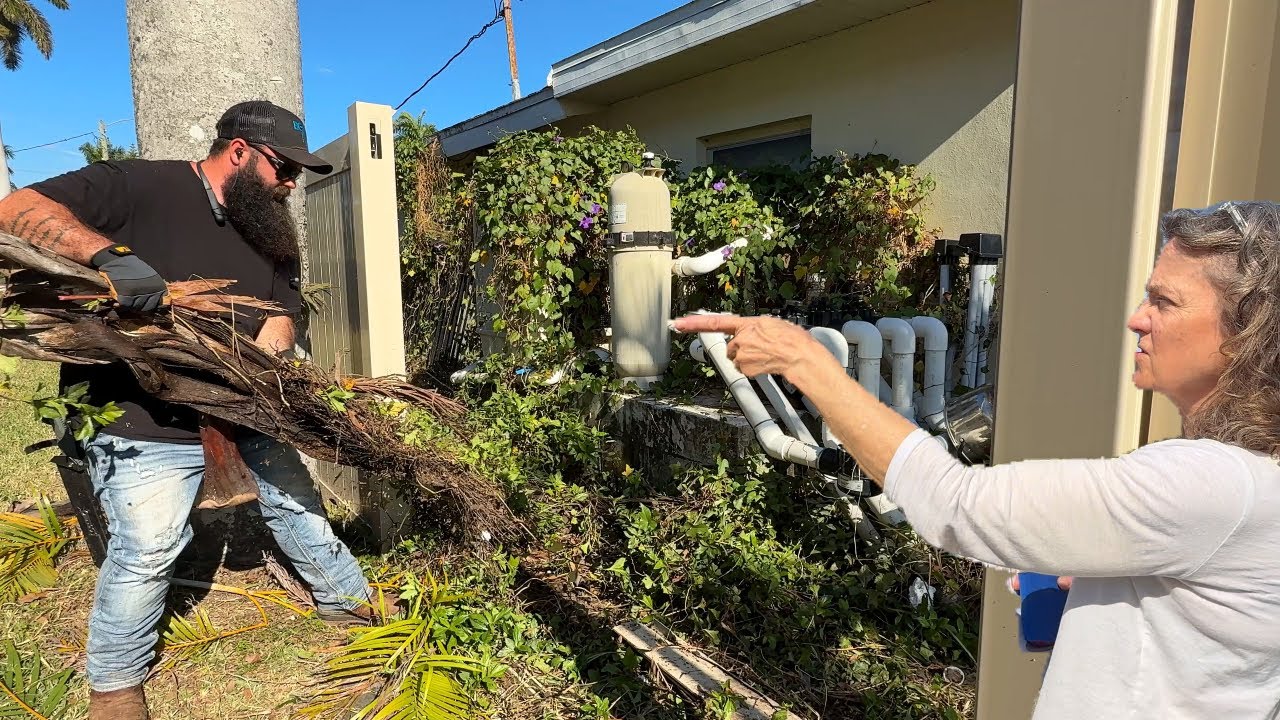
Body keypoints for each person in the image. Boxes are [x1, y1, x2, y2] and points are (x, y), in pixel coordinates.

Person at [674, 201, 1280, 719]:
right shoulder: (1248, 480)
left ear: (1248, 331)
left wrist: (806, 362)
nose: (1136, 318)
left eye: (1164, 301)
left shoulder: (1216, 485)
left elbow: (956, 504)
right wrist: (1109, 583)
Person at [0, 101, 386, 719]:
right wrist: (107, 256)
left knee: (297, 504)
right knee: (150, 544)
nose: (291, 183)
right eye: (283, 169)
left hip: (243, 401)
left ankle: (346, 598)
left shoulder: (269, 228)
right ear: (238, 152)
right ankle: (116, 682)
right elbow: (14, 211)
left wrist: (269, 356)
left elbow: (284, 308)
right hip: (138, 411)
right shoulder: (135, 185)